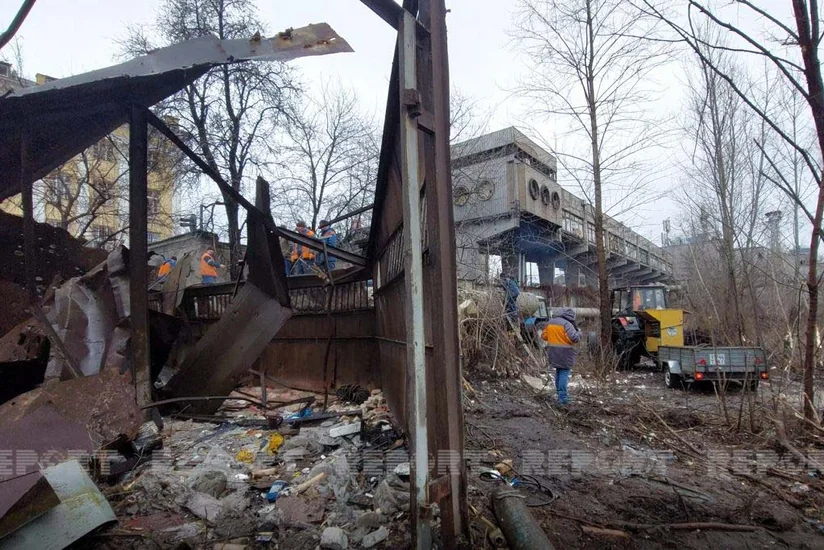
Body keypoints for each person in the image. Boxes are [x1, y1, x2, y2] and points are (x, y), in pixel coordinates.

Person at [541, 308, 581, 406]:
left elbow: (544, 336)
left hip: (552, 352)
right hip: (565, 353)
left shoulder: (550, 322)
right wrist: (579, 332)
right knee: (564, 373)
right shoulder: (567, 324)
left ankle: (559, 395)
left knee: (558, 372)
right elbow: (574, 338)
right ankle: (562, 399)